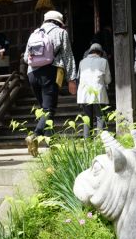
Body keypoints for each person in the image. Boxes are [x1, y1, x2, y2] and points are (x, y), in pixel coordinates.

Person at [23, 10, 77, 156]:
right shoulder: (61, 32)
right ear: (59, 22)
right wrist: (72, 78)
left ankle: (51, 144)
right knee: (49, 110)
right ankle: (34, 136)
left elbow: (24, 58)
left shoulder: (34, 34)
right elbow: (68, 56)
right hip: (49, 72)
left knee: (45, 110)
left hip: (32, 73)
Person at [77, 42, 112, 138]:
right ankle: (99, 142)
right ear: (100, 53)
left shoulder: (82, 62)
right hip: (98, 92)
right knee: (100, 117)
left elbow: (78, 78)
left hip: (84, 93)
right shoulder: (103, 61)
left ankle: (86, 142)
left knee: (87, 118)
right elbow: (108, 80)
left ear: (90, 52)